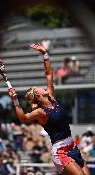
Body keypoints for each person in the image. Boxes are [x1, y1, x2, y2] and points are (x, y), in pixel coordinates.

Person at [7, 43, 90, 175]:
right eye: (38, 88)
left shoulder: (51, 98)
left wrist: (45, 54)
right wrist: (15, 100)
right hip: (60, 151)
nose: (41, 87)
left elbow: (49, 74)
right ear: (38, 95)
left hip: (72, 146)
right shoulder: (41, 112)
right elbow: (23, 118)